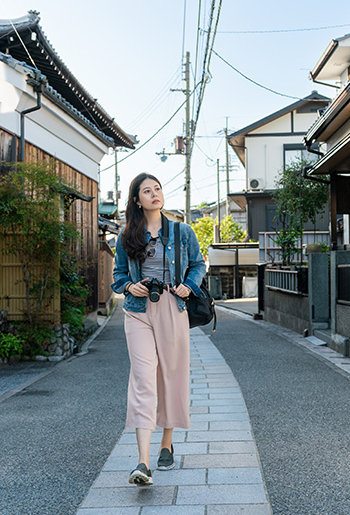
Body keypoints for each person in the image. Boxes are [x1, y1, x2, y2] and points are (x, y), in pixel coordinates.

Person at [111, 172, 206, 486]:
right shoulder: (128, 236)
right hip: (138, 311)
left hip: (172, 306)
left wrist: (188, 286)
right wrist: (130, 286)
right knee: (142, 380)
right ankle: (143, 461)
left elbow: (198, 263)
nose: (154, 194)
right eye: (146, 191)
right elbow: (118, 276)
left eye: (157, 189)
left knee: (170, 374)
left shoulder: (182, 231)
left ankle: (166, 442)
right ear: (137, 200)